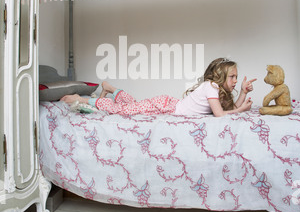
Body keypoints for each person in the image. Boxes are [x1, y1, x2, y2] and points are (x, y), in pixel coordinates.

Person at [60, 57, 256, 117]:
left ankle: (112, 89)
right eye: (232, 77)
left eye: (236, 77)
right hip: (164, 105)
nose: (235, 81)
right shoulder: (211, 87)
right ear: (220, 77)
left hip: (166, 104)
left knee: (133, 106)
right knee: (122, 111)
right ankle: (84, 98)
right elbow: (222, 115)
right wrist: (241, 108)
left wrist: (243, 94)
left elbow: (228, 109)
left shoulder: (216, 89)